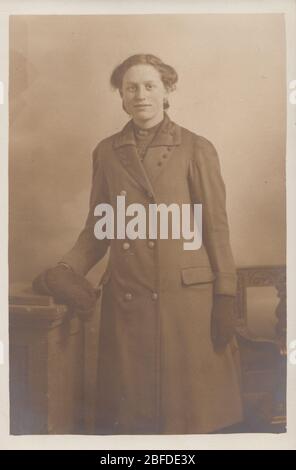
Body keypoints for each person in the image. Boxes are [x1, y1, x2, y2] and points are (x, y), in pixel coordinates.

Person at [33, 54, 243, 434]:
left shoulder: (197, 148)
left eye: (150, 86)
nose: (140, 94)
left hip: (186, 306)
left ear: (167, 92)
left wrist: (226, 295)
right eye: (131, 87)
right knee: (134, 424)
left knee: (188, 422)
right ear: (121, 97)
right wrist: (65, 269)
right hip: (128, 300)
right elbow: (99, 229)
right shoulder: (107, 152)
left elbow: (216, 228)